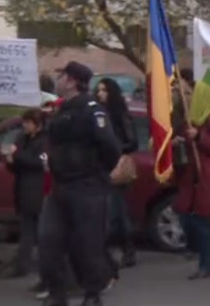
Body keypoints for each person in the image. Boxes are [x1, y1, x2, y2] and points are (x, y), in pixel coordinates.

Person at [39, 61, 122, 306]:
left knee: (87, 245)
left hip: (86, 187)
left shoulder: (91, 110)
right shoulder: (62, 110)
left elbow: (111, 148)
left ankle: (92, 294)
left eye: (62, 76)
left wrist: (94, 173)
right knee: (49, 240)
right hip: (60, 186)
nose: (58, 80)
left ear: (73, 81)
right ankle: (57, 293)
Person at [172, 81, 210, 279]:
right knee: (186, 215)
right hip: (192, 175)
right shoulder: (189, 119)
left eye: (190, 94)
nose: (186, 97)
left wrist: (199, 136)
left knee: (201, 218)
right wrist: (178, 141)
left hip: (207, 176)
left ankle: (206, 264)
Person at [95, 78, 138, 278]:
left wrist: (113, 148)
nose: (100, 94)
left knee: (116, 212)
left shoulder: (119, 114)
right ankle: (123, 250)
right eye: (98, 90)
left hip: (116, 167)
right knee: (113, 212)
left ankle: (123, 251)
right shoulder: (98, 114)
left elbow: (132, 142)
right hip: (102, 168)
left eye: (104, 90)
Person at [2, 109, 48, 279]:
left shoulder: (45, 140)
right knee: (27, 230)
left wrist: (16, 154)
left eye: (28, 123)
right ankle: (23, 264)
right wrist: (10, 160)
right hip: (23, 188)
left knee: (42, 231)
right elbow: (18, 164)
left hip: (39, 189)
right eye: (24, 122)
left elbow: (37, 162)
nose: (25, 126)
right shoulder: (22, 138)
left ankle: (44, 267)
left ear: (38, 124)